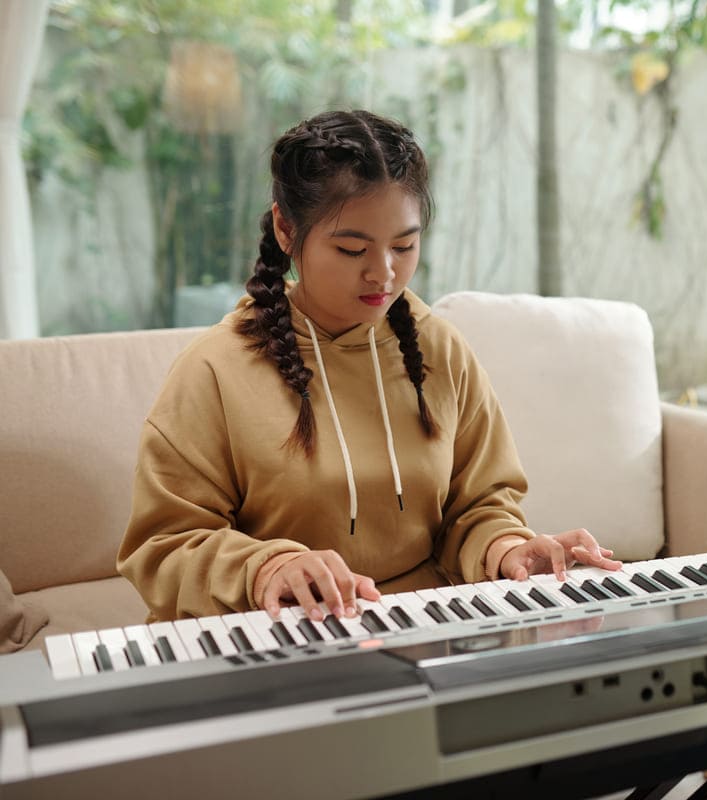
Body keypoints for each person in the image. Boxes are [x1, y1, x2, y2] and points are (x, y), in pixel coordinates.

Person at [118, 109, 620, 625]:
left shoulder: (439, 350)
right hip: (279, 633)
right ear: (287, 230)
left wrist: (508, 548)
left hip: (425, 628)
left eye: (404, 245)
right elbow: (163, 546)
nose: (384, 272)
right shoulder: (214, 371)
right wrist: (269, 568)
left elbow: (480, 503)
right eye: (352, 248)